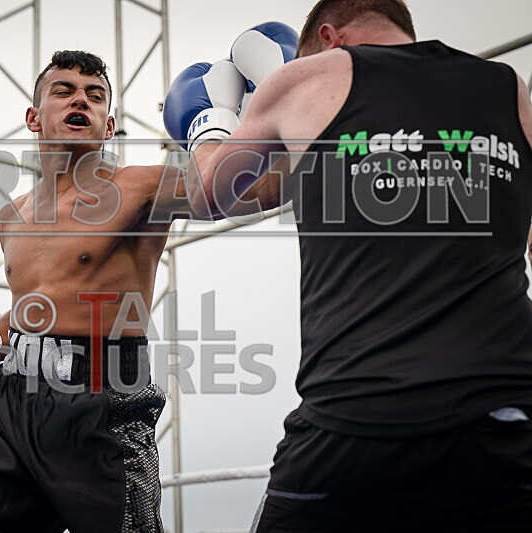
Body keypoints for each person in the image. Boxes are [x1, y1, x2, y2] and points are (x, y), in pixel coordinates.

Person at [0, 48, 287, 533]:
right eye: (65, 91)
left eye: (95, 96)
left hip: (103, 408)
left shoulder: (138, 188)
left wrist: (283, 124)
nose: (81, 101)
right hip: (16, 402)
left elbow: (259, 190)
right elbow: (34, 310)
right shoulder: (13, 215)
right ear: (34, 117)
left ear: (108, 125)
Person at [164, 0, 532, 531]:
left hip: (354, 419)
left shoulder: (305, 79)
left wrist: (210, 122)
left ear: (330, 38)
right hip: (505, 422)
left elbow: (206, 195)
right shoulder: (508, 88)